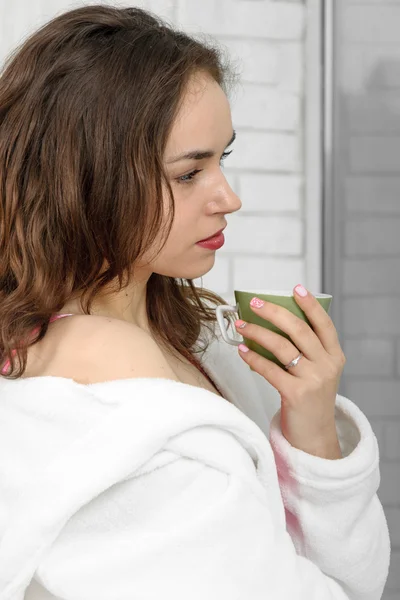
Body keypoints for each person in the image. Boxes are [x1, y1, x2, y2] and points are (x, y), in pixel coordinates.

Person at [0, 5, 390, 600]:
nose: (228, 198)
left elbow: (348, 579)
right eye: (189, 174)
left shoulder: (193, 332)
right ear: (86, 180)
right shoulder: (107, 411)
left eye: (223, 158)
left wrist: (312, 427)